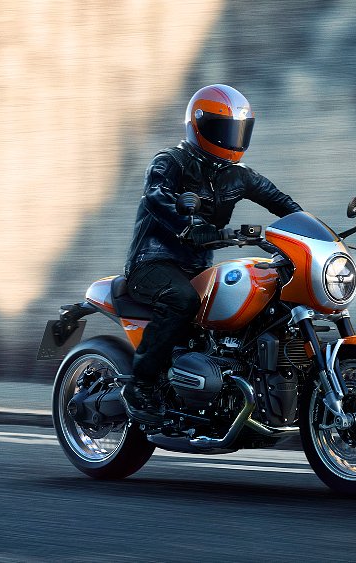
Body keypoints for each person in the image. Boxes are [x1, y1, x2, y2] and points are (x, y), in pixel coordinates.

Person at [121, 84, 303, 424]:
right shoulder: (170, 162)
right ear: (199, 125)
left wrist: (315, 232)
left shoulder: (239, 176)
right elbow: (157, 196)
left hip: (197, 267)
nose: (232, 138)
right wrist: (186, 225)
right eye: (223, 129)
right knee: (182, 300)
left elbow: (281, 202)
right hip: (153, 263)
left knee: (264, 295)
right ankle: (140, 386)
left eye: (238, 130)